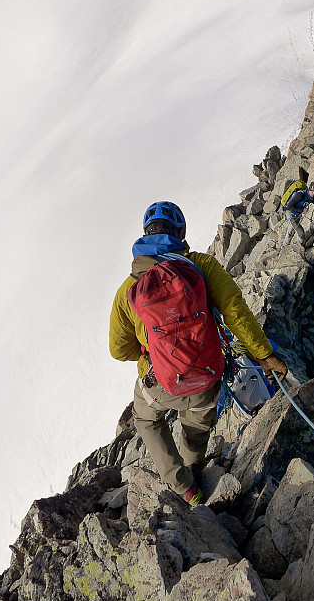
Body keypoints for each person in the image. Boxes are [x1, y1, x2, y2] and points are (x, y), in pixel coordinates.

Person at [109, 201, 288, 504]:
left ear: (145, 234)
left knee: (146, 420)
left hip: (161, 383)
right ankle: (195, 469)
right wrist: (264, 354)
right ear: (180, 233)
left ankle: (185, 489)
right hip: (206, 377)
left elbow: (118, 349)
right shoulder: (201, 266)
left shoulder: (128, 290)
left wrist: (148, 354)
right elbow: (235, 312)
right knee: (196, 428)